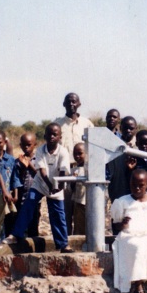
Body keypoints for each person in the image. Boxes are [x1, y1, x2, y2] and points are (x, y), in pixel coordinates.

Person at [6, 123, 73, 253]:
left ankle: (63, 244)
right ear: (45, 136)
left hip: (57, 185)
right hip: (40, 184)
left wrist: (57, 188)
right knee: (28, 206)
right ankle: (16, 235)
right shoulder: (41, 150)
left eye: (55, 134)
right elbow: (41, 171)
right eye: (49, 134)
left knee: (58, 215)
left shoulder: (63, 152)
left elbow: (64, 171)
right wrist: (50, 186)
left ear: (60, 137)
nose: (52, 137)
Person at [55, 92, 94, 234]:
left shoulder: (87, 124)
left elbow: (93, 149)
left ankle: (79, 241)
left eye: (74, 101)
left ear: (79, 104)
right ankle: (65, 243)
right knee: (65, 211)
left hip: (83, 172)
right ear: (64, 104)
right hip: (65, 170)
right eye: (68, 102)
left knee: (80, 210)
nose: (71, 104)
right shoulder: (58, 124)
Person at [0, 130, 20, 243]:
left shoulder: (10, 159)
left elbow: (14, 178)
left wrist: (15, 194)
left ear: (5, 142)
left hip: (7, 197)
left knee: (7, 223)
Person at [10, 133, 40, 238]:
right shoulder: (18, 162)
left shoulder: (38, 159)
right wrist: (23, 168)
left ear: (34, 145)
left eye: (29, 145)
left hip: (35, 198)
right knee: (21, 222)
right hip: (22, 197)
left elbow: (40, 176)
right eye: (24, 145)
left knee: (33, 223)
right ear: (20, 145)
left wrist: (29, 165)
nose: (26, 147)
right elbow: (16, 179)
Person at [107, 116, 138, 203]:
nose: (128, 131)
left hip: (136, 191)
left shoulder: (140, 147)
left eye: (131, 128)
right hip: (117, 189)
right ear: (120, 128)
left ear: (136, 128)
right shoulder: (113, 146)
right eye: (125, 128)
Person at [71, 142, 87, 235]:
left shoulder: (90, 168)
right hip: (78, 203)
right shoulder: (75, 169)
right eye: (75, 154)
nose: (77, 156)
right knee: (79, 228)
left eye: (80, 153)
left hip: (88, 203)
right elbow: (72, 188)